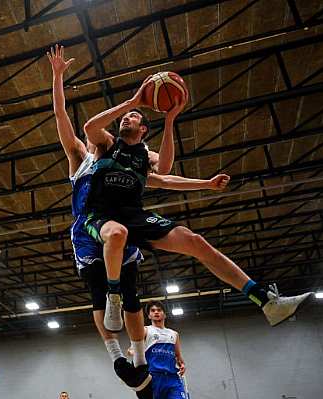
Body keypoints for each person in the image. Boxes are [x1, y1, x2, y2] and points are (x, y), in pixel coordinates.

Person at [46, 44, 229, 399]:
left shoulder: (124, 159)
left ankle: (139, 359)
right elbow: (61, 118)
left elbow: (165, 177)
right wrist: (56, 78)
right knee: (100, 298)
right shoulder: (79, 157)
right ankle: (118, 358)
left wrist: (204, 184)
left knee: (132, 298)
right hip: (88, 231)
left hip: (121, 227)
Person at [81, 64, 313, 328]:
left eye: (134, 116)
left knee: (196, 242)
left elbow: (166, 173)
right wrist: (132, 102)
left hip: (135, 215)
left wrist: (173, 126)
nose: (127, 118)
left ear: (143, 129)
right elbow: (89, 126)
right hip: (100, 214)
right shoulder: (107, 144)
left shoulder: (145, 156)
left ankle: (267, 302)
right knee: (117, 234)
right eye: (126, 116)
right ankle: (114, 295)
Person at [129, 302, 188, 399]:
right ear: (149, 315)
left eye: (159, 310)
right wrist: (134, 353)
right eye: (153, 310)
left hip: (173, 380)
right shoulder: (145, 330)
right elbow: (131, 349)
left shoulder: (174, 334)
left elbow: (178, 356)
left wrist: (182, 364)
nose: (156, 312)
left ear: (164, 314)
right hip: (153, 380)